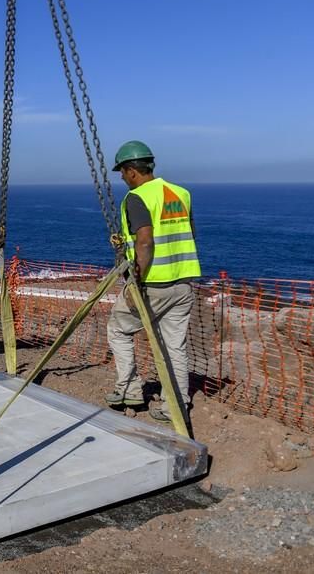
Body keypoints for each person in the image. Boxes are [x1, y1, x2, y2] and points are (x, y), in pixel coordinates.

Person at [105, 141, 201, 422]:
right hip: (183, 284)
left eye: (123, 173)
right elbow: (188, 233)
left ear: (132, 170)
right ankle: (177, 405)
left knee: (119, 329)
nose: (122, 178)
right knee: (175, 347)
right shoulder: (180, 193)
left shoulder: (137, 198)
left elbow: (145, 241)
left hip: (152, 284)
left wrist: (135, 282)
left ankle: (130, 390)